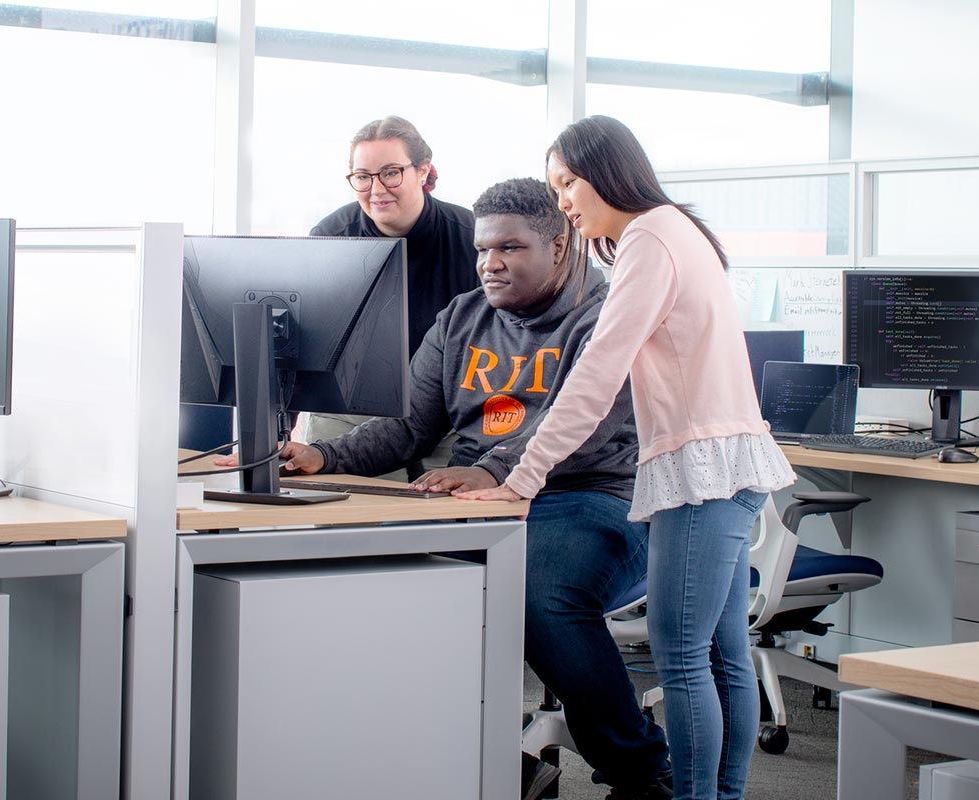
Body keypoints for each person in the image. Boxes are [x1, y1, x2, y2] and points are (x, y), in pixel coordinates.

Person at [224, 177, 673, 800]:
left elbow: (586, 423)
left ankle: (639, 767)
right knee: (383, 578)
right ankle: (470, 756)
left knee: (536, 589)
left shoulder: (606, 316)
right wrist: (323, 455)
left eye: (510, 249)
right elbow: (411, 426)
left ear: (562, 244)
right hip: (477, 498)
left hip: (591, 494)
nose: (491, 263)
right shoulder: (462, 318)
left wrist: (493, 469)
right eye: (483, 249)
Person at [457, 117, 796, 800]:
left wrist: (521, 479)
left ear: (607, 173)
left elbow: (594, 377)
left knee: (681, 658)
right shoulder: (676, 230)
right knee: (725, 656)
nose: (564, 202)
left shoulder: (649, 238)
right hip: (731, 464)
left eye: (568, 183)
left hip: (700, 475)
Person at [306, 116, 479, 477]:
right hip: (351, 410)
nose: (376, 189)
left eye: (391, 173)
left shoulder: (472, 238)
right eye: (363, 176)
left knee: (442, 527)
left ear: (423, 171)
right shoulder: (331, 237)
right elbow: (304, 338)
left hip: (448, 412)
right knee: (342, 521)